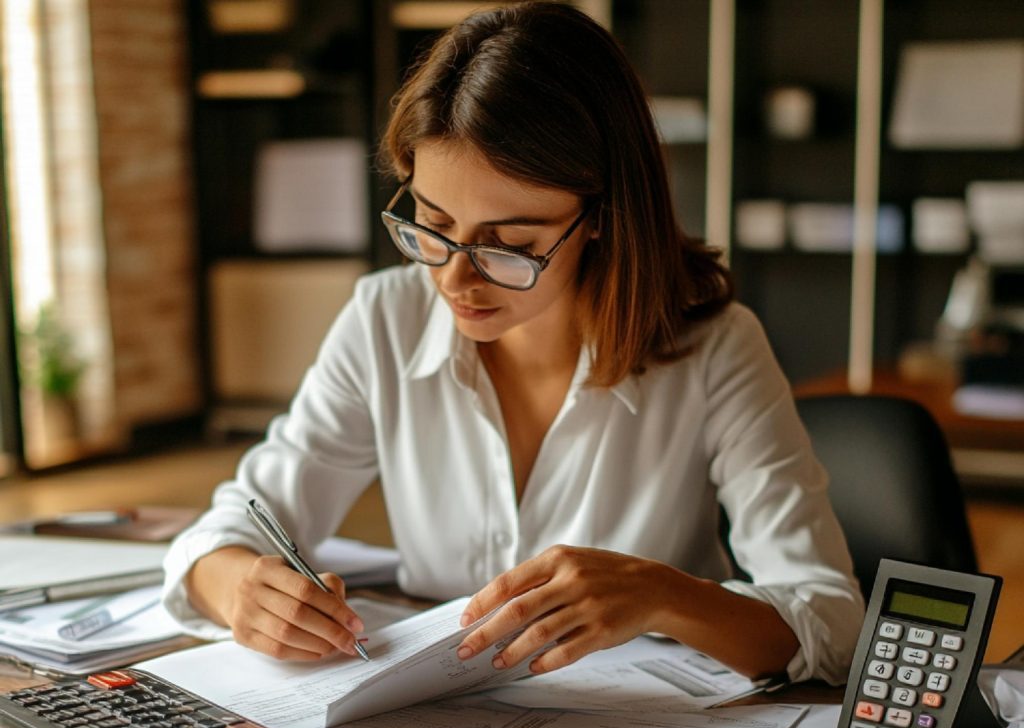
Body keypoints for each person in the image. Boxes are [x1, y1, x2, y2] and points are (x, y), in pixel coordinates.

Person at [164, 1, 863, 685]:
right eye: (432, 224)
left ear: (601, 216)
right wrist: (235, 587)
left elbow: (832, 623)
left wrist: (662, 594)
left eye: (510, 245)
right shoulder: (386, 317)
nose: (456, 278)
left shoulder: (717, 349)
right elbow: (238, 523)